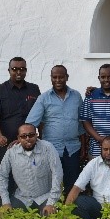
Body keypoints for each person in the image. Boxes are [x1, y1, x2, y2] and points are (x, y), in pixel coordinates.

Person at [0, 57, 41, 205]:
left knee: (28, 181)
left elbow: (40, 115)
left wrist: (37, 138)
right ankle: (3, 213)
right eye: (15, 69)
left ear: (26, 71)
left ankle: (25, 215)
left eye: (22, 69)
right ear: (9, 70)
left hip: (28, 144)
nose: (18, 72)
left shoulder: (34, 89)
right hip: (4, 146)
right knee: (3, 182)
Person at [26, 65, 84, 194]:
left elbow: (81, 124)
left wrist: (84, 148)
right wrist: (24, 139)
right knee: (52, 185)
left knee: (72, 185)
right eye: (55, 77)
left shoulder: (76, 96)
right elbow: (31, 123)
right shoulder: (44, 98)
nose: (58, 80)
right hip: (51, 149)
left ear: (67, 77)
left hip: (73, 148)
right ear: (51, 78)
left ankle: (70, 207)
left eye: (61, 77)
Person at [65, 136, 110, 219]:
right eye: (105, 149)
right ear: (101, 149)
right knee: (79, 202)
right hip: (97, 209)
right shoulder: (93, 164)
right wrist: (65, 213)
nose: (108, 153)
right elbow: (76, 188)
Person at [0, 124, 63, 216]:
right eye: (23, 136)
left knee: (51, 217)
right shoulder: (11, 152)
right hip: (22, 198)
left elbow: (57, 174)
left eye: (31, 135)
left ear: (36, 135)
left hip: (45, 197)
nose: (28, 138)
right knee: (8, 218)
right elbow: (2, 176)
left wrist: (51, 202)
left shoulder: (47, 148)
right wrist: (5, 202)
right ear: (18, 138)